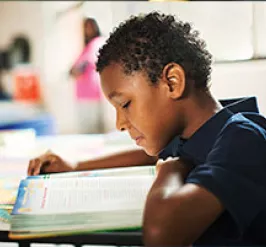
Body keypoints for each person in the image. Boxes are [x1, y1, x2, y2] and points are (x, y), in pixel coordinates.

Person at [27, 12, 266, 246]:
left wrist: (170, 170)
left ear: (172, 82)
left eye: (125, 104)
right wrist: (76, 166)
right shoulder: (197, 133)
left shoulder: (245, 137)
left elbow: (161, 234)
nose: (119, 123)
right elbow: (147, 156)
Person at [69, 18, 105, 133]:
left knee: (94, 132)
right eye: (85, 27)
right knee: (87, 131)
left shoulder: (98, 42)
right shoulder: (85, 47)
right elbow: (71, 70)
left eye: (90, 26)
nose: (87, 29)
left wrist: (76, 70)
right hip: (82, 96)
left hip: (92, 95)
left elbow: (81, 68)